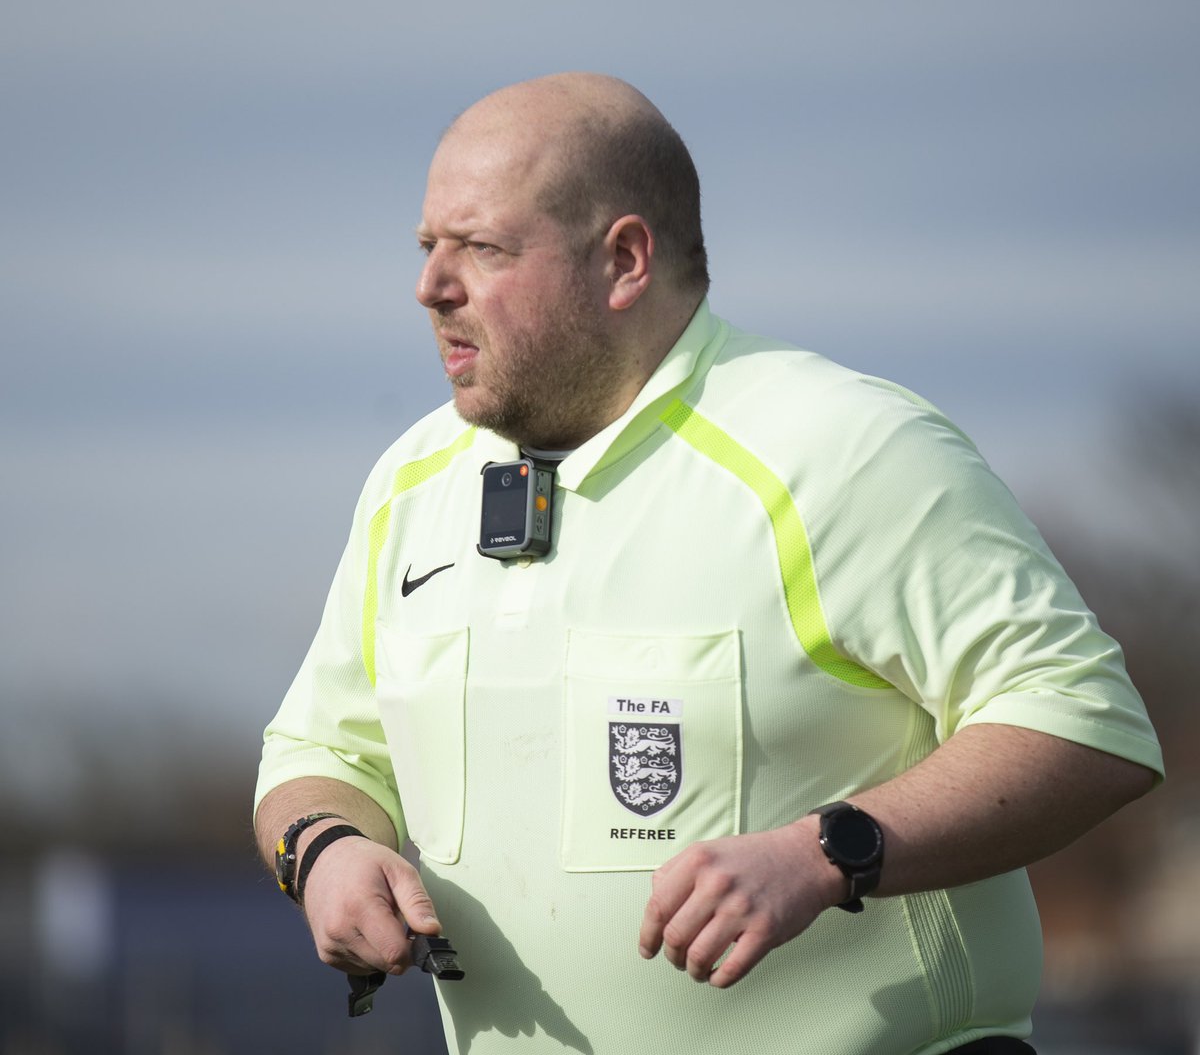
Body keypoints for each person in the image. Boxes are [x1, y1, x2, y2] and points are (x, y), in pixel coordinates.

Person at [254, 72, 1163, 1055]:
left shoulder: (842, 448)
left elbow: (1085, 725)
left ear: (625, 260)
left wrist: (830, 854)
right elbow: (318, 754)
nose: (431, 286)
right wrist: (328, 850)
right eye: (429, 247)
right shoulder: (411, 483)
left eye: (481, 248)